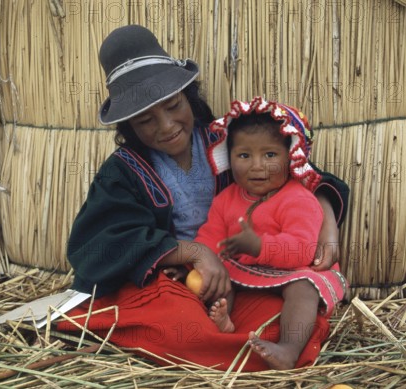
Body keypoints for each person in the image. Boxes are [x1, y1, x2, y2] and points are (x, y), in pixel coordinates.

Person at [56, 24, 349, 371]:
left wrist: (327, 220)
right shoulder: (123, 172)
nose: (166, 126)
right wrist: (193, 252)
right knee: (180, 324)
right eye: (145, 120)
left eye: (173, 105)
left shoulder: (227, 137)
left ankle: (251, 344)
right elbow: (99, 242)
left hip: (246, 272)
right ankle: (229, 342)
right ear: (129, 127)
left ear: (188, 94)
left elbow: (297, 166)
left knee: (295, 307)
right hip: (183, 281)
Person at [192, 97, 348, 370]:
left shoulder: (298, 199)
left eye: (270, 155)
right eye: (244, 155)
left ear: (291, 156)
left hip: (295, 270)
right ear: (228, 158)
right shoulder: (226, 199)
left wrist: (258, 246)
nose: (257, 165)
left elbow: (302, 250)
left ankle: (288, 349)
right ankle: (225, 324)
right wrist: (196, 262)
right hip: (247, 270)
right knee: (219, 277)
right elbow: (210, 238)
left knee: (303, 289)